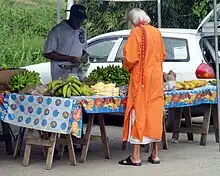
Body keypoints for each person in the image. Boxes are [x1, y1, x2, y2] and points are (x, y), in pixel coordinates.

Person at [119, 8, 166, 166]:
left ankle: (136, 156)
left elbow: (130, 58)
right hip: (156, 80)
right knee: (154, 115)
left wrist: (124, 63)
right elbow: (163, 55)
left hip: (141, 81)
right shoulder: (156, 32)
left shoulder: (136, 33)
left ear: (133, 21)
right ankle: (155, 154)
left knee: (138, 115)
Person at [44, 4, 88, 81]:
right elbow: (48, 53)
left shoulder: (82, 31)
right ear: (71, 16)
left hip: (77, 72)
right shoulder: (57, 30)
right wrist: (70, 58)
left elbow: (83, 49)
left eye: (82, 19)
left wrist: (84, 58)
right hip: (60, 72)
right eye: (78, 19)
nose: (80, 22)